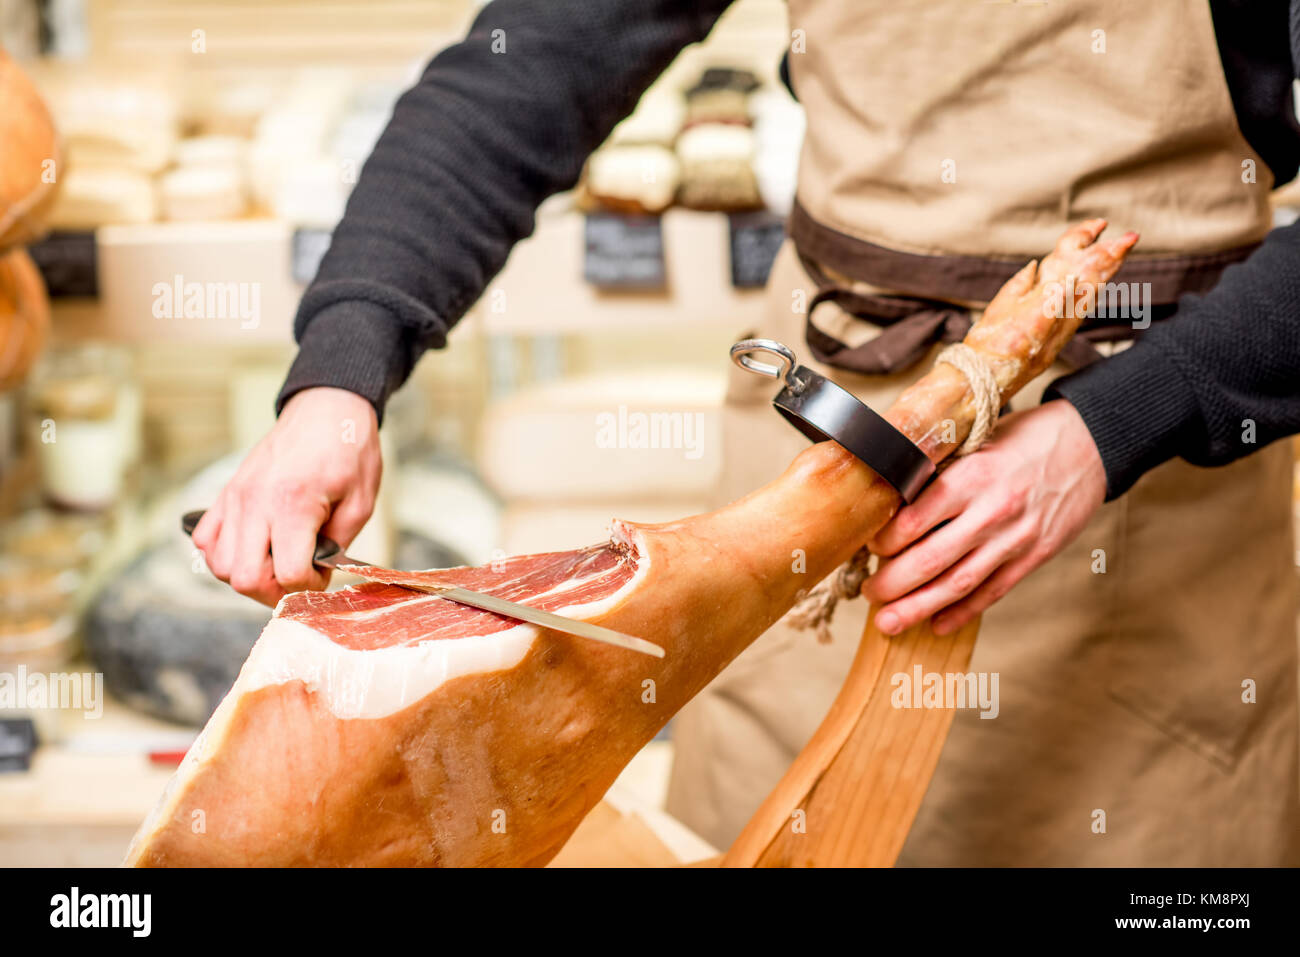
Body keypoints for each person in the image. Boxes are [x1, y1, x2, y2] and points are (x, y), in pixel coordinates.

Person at [193, 0, 1300, 865]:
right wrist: (340, 373)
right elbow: (517, 75)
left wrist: (1111, 429)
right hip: (821, 460)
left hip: (1149, 481)